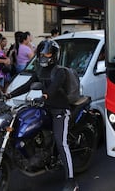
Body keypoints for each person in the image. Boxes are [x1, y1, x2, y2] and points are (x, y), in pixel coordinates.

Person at [37, 40, 79, 190]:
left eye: (47, 53)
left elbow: (54, 87)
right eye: (42, 53)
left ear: (54, 55)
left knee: (61, 142)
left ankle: (71, 181)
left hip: (60, 111)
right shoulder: (40, 70)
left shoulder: (59, 71)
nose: (44, 56)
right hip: (46, 109)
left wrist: (45, 96)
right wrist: (10, 94)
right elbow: (28, 83)